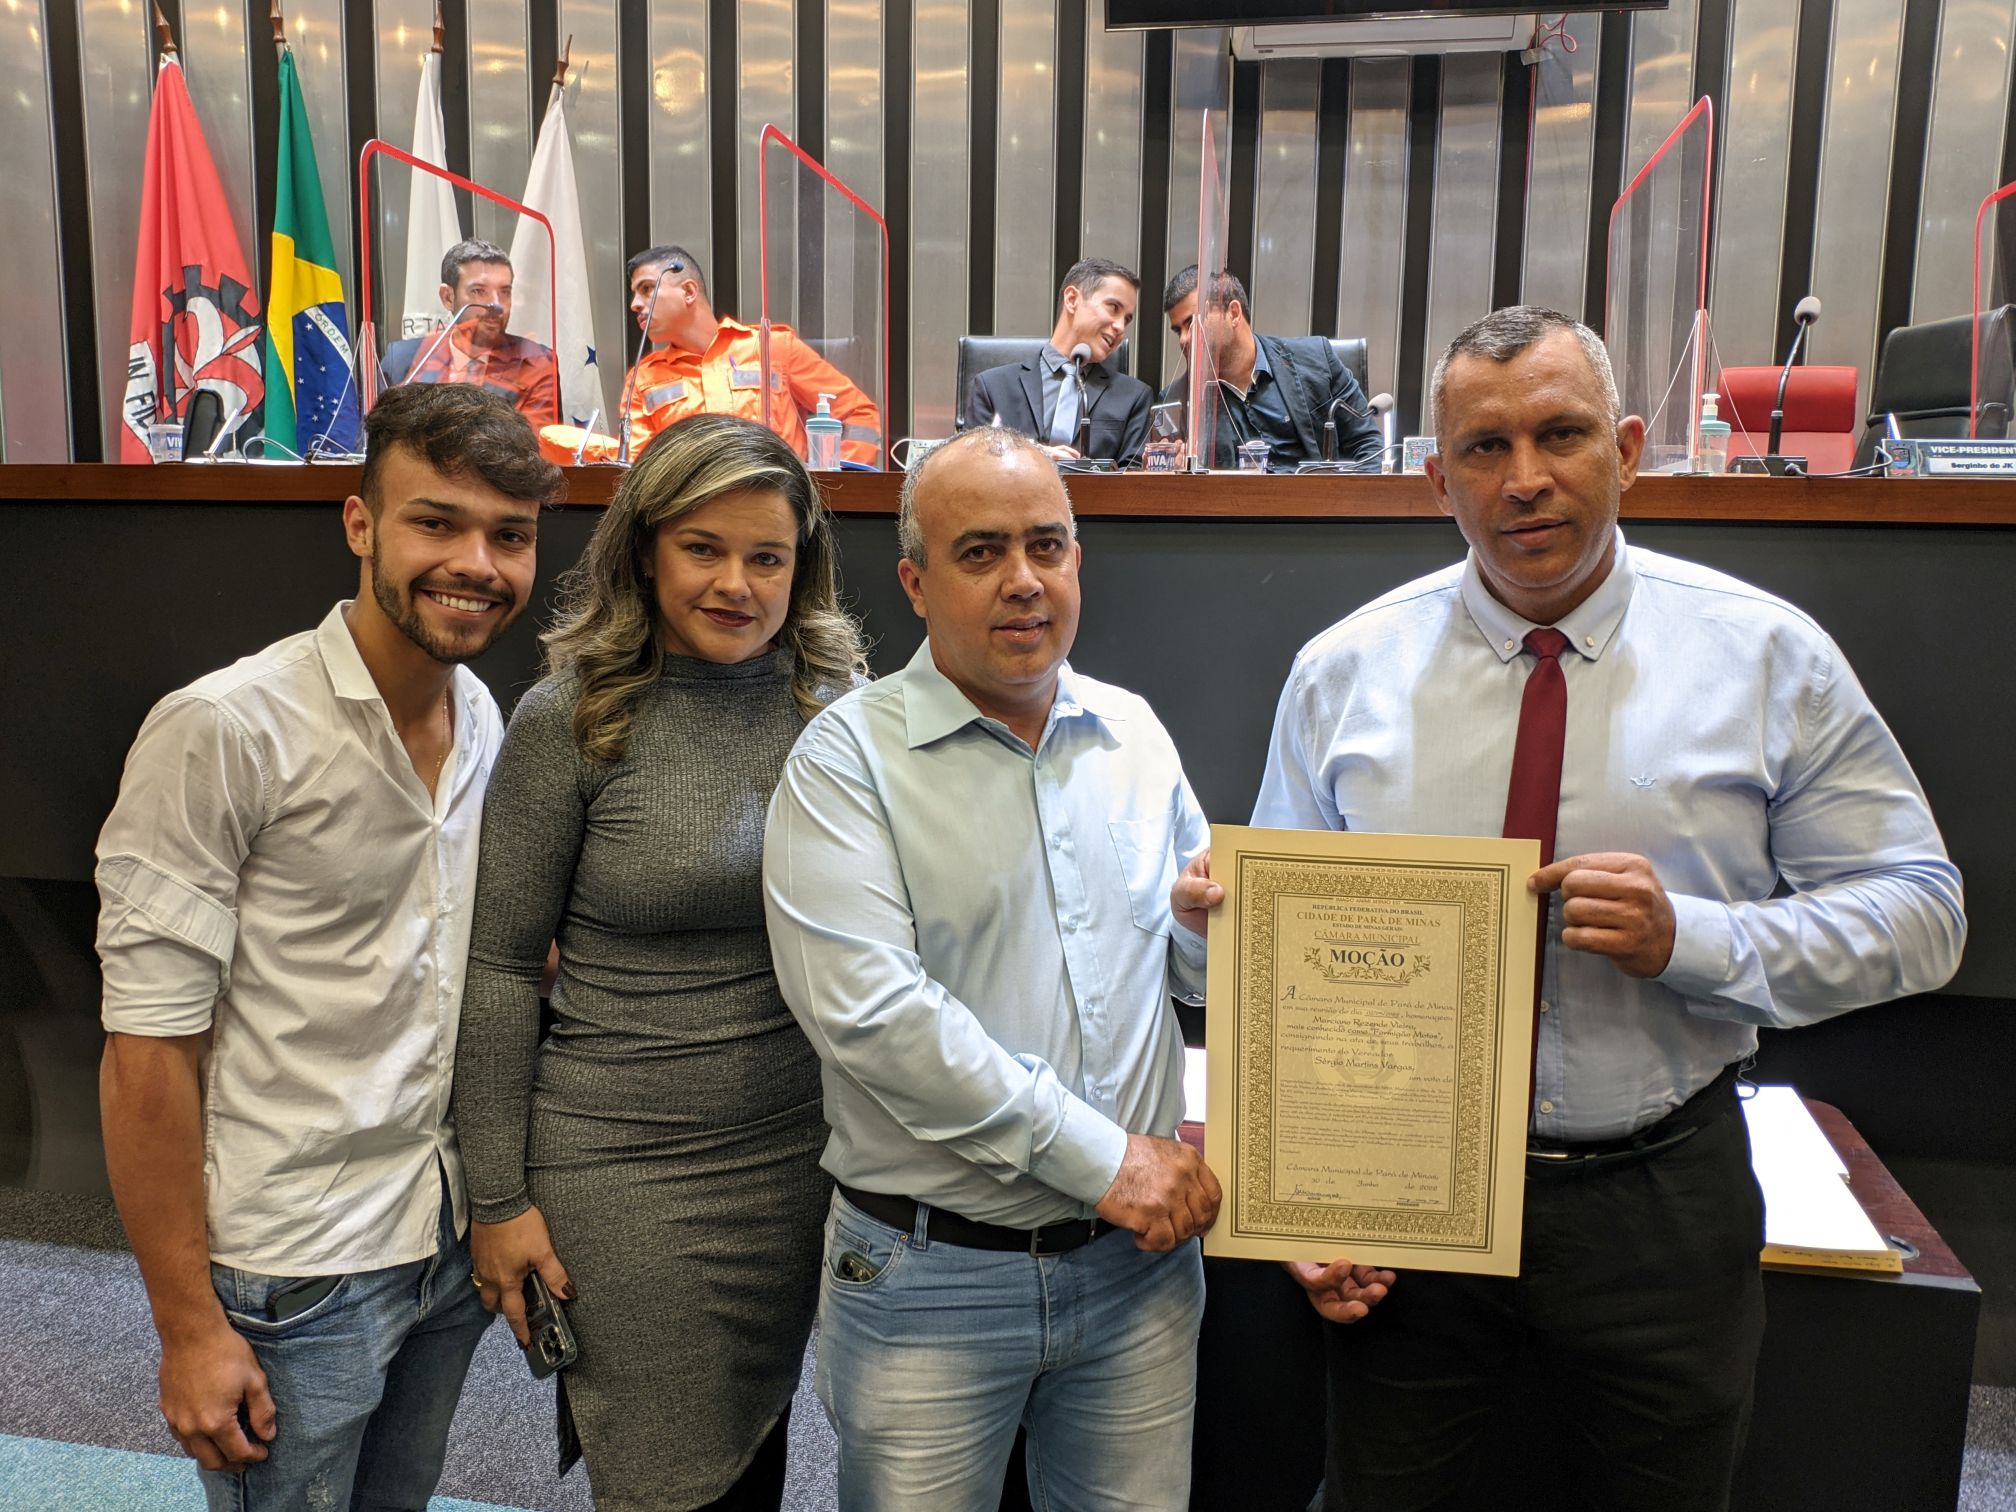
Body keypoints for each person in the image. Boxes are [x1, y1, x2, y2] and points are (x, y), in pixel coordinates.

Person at [1221, 304, 1966, 1510]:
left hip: (1659, 1197)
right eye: (1485, 447)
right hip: (1412, 1194)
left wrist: (1696, 939)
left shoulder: (1764, 657)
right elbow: (1285, 978)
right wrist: (1305, 1194)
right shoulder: (1344, 673)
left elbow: (1923, 913)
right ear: (1438, 479)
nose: (1525, 479)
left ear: (1624, 451)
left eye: (1561, 435)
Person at [93, 383, 564, 1510]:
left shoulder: (483, 717)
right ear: (361, 525)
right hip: (294, 1266)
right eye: (436, 522)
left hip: (440, 1237)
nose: (476, 564)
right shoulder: (225, 728)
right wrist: (187, 1328)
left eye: (509, 536)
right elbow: (146, 1051)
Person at [762, 426, 1221, 1510]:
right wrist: (1107, 1162)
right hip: (932, 1279)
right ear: (916, 584)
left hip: (1136, 1277)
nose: (1024, 580)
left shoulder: (1134, 736)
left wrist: (1206, 933)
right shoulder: (846, 760)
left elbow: (1191, 980)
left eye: (1046, 545)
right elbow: (877, 1021)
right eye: (981, 552)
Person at [452, 413, 869, 1510]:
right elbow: (500, 969)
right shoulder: (573, 717)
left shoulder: (837, 710)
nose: (736, 583)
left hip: (800, 1160)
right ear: (644, 551)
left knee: (756, 1452)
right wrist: (497, 1199)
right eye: (702, 549)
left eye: (766, 557)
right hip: (624, 1169)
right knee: (667, 1480)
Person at [609, 244, 882, 467]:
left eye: (647, 289)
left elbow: (858, 413)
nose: (635, 305)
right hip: (690, 509)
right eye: (634, 294)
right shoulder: (643, 379)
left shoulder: (772, 348)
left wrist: (836, 484)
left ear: (689, 291)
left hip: (780, 505)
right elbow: (638, 465)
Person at [1160, 265, 1380, 470]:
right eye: (1178, 330)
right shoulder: (1180, 401)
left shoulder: (1316, 359)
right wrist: (1172, 472)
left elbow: (1368, 445)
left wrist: (1344, 498)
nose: (1184, 339)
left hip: (1317, 496)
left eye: (1192, 323)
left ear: (1234, 313)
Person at [964, 256, 1153, 466]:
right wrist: (1033, 454)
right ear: (1072, 299)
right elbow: (968, 466)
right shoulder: (992, 387)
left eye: (1127, 319)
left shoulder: (1134, 397)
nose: (1120, 327)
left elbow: (1132, 480)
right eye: (1113, 308)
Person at [380, 238, 561, 428]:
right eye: (479, 291)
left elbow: (530, 443)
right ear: (448, 298)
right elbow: (379, 439)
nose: (497, 305)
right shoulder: (401, 361)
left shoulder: (537, 363)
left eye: (505, 292)